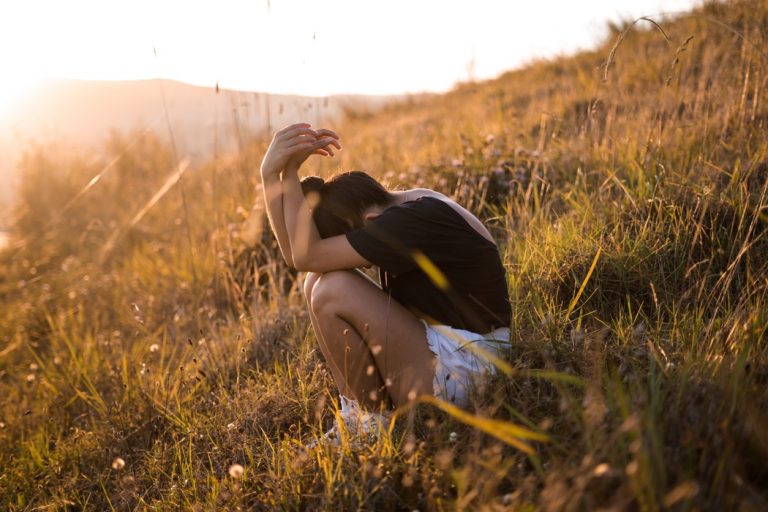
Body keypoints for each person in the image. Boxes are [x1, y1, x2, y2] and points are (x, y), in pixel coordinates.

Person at [260, 123, 511, 440]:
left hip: (475, 368)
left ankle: (371, 426)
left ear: (370, 223)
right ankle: (356, 418)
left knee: (332, 289)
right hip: (452, 353)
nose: (364, 264)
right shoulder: (406, 209)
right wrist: (273, 176)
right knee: (316, 281)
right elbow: (298, 259)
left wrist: (286, 173)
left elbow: (307, 256)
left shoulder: (407, 222)